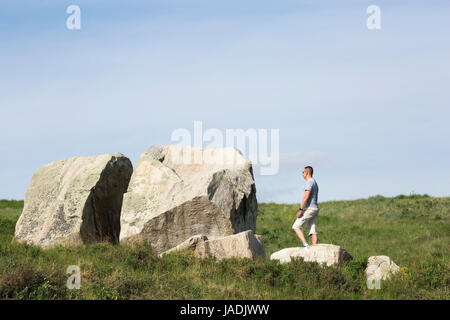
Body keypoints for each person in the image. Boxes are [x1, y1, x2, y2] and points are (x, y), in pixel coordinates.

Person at [292, 166, 319, 247]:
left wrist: (301, 210)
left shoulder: (309, 182)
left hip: (309, 208)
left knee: (296, 226)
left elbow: (306, 196)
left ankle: (305, 244)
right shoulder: (314, 181)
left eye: (303, 172)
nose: (302, 174)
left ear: (307, 172)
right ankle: (315, 247)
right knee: (312, 229)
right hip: (315, 208)